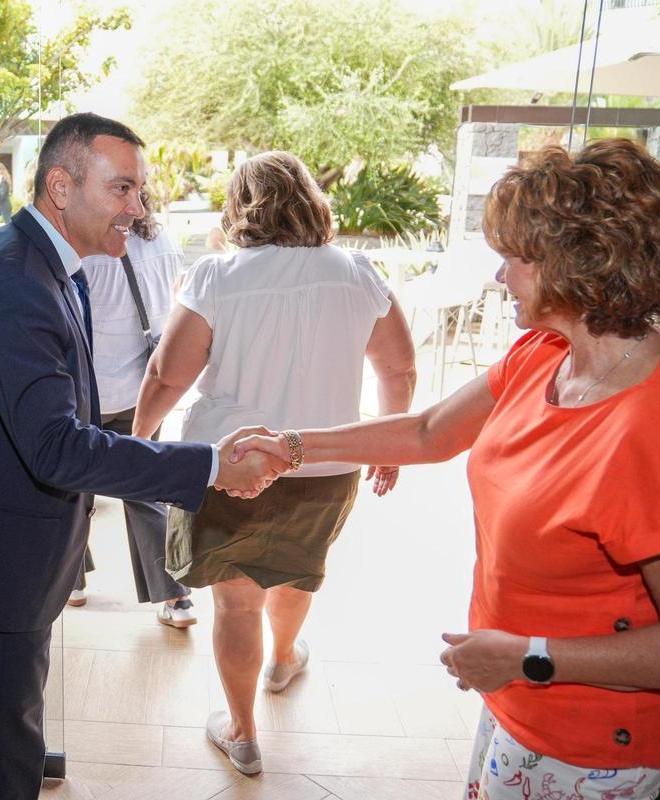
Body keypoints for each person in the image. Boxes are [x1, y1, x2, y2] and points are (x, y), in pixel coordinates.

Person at [234, 139, 660, 799]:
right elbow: (430, 431)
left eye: (516, 258)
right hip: (519, 694)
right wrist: (290, 445)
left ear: (581, 264)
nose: (500, 276)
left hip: (588, 737)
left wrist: (530, 657)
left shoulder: (658, 432)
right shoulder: (546, 353)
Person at [0, 112, 287, 800]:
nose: (138, 208)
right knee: (5, 750)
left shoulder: (36, 263)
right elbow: (56, 446)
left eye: (139, 190)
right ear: (60, 187)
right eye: (122, 189)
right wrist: (209, 465)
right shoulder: (18, 283)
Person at [133, 150, 416, 775]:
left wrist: (140, 442)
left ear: (241, 206)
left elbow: (168, 374)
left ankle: (242, 733)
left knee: (238, 604)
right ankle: (284, 659)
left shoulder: (217, 275)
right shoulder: (358, 273)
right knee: (296, 573)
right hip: (326, 466)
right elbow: (398, 368)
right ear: (311, 199)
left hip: (230, 465)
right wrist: (389, 444)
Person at [67, 190, 197, 626]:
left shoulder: (88, 252)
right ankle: (176, 598)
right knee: (144, 488)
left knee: (72, 486)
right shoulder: (166, 244)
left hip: (88, 389)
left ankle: (72, 582)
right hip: (144, 388)